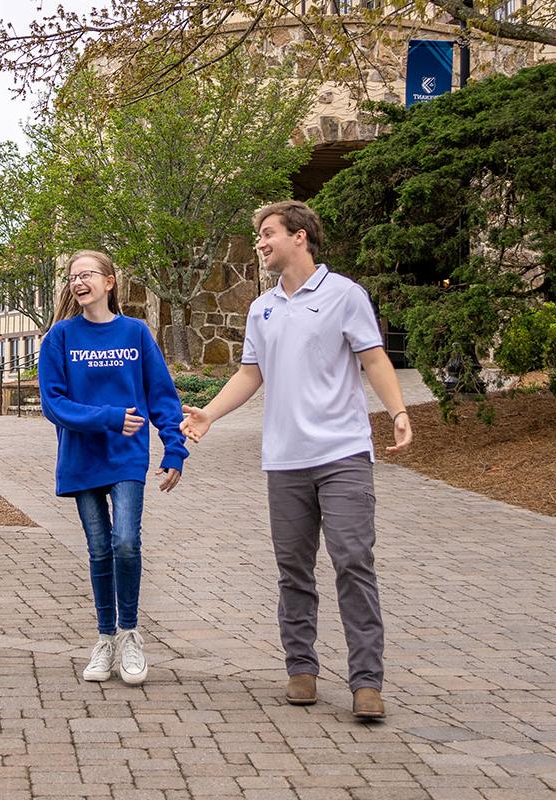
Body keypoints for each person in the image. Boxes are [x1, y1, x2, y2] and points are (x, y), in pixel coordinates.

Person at [180, 200, 412, 721]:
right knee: (294, 570)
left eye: (267, 233)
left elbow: (374, 357)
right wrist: (210, 415)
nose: (260, 243)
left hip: (343, 454)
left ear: (300, 236)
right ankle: (301, 669)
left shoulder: (344, 295)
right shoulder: (261, 310)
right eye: (259, 235)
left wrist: (397, 410)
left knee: (354, 562)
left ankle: (366, 682)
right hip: (284, 461)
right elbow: (249, 375)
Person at [37, 250, 186, 687]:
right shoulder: (59, 338)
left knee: (125, 542)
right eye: (71, 277)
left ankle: (130, 634)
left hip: (126, 456)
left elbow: (161, 396)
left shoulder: (135, 333)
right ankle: (104, 639)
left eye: (87, 275)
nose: (78, 282)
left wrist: (174, 449)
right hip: (81, 457)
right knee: (99, 548)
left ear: (109, 282)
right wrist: (108, 417)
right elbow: (54, 403)